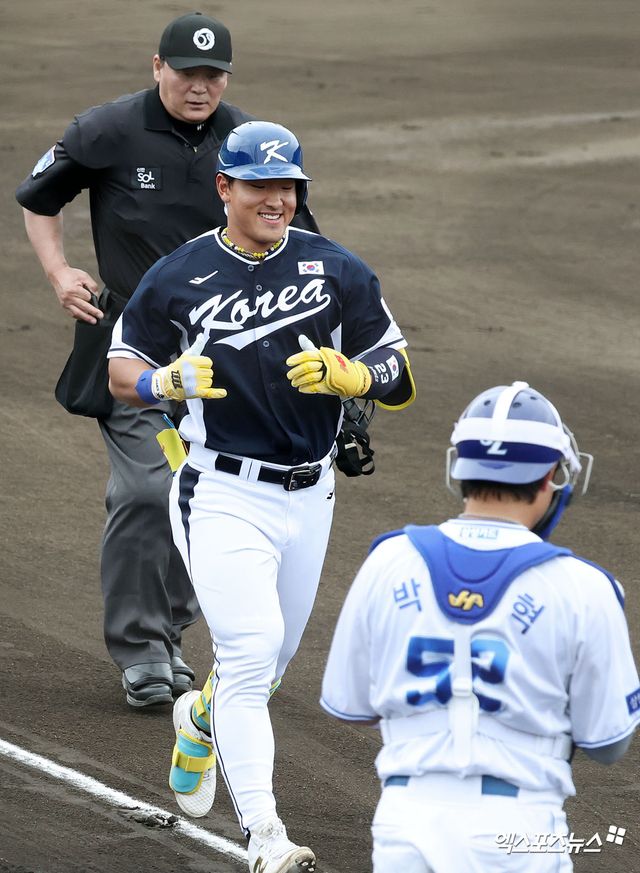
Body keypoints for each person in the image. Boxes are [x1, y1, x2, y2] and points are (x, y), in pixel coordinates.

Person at [107, 119, 415, 873]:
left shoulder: (336, 270)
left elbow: (398, 368)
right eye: (260, 186)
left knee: (269, 664)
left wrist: (357, 377)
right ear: (226, 189)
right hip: (218, 490)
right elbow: (121, 365)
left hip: (310, 496)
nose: (277, 199)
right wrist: (163, 382)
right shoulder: (178, 275)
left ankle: (198, 714)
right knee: (247, 652)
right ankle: (268, 837)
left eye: (288, 186)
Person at [15, 12, 320, 707]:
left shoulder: (246, 144)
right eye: (186, 73)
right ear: (158, 67)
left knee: (206, 496)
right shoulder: (108, 130)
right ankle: (139, 647)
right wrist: (61, 273)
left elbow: (301, 242)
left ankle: (168, 634)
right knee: (149, 490)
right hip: (137, 352)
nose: (199, 87)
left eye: (213, 76)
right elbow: (39, 198)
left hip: (231, 361)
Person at [321, 381, 640, 873]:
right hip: (519, 831)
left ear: (460, 468)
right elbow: (607, 742)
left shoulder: (389, 560)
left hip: (406, 824)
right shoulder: (586, 587)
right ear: (551, 477)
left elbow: (349, 706)